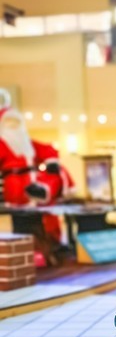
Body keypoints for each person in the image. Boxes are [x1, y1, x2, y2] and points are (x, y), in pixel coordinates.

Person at [0, 105, 75, 264]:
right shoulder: (3, 144)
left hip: (35, 182)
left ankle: (44, 192)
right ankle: (34, 252)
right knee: (25, 224)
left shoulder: (28, 143)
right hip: (15, 186)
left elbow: (47, 149)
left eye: (16, 121)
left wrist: (51, 161)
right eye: (9, 122)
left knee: (58, 172)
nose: (13, 126)